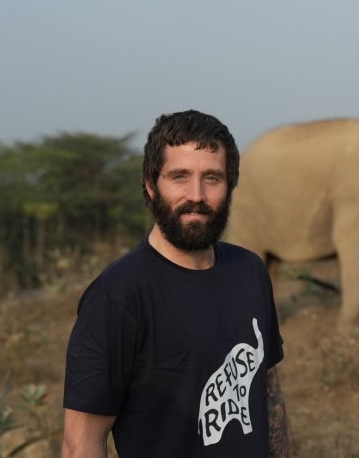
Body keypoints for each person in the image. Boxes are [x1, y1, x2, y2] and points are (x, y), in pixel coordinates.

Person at [62, 110, 289, 457]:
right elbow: (82, 443)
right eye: (179, 176)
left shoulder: (250, 271)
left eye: (212, 178)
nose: (196, 195)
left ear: (230, 186)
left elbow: (267, 391)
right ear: (152, 186)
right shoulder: (119, 295)